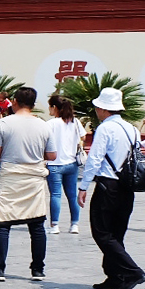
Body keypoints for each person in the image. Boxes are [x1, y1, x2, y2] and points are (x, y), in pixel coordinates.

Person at [0, 86, 56, 280]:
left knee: (2, 222)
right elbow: (52, 155)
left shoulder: (4, 124)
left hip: (10, 177)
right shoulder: (43, 125)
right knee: (37, 223)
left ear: (14, 101)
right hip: (34, 179)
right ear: (33, 104)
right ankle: (38, 269)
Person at [78, 88, 145, 289]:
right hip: (128, 186)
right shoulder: (132, 129)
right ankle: (116, 276)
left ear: (102, 108)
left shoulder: (105, 129)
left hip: (108, 184)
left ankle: (132, 271)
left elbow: (95, 159)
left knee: (101, 232)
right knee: (117, 233)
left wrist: (84, 186)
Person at [45, 97, 85, 234]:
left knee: (55, 195)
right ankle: (74, 224)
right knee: (72, 195)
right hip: (71, 163)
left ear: (55, 107)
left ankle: (54, 225)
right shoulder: (75, 122)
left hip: (54, 164)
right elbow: (83, 137)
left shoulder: (51, 123)